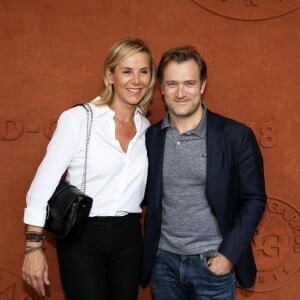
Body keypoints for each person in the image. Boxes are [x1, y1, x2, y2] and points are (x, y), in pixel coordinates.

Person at [22, 37, 156, 300]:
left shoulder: (146, 128)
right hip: (83, 236)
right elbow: (42, 187)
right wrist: (33, 248)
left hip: (129, 237)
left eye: (144, 71)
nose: (136, 80)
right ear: (110, 75)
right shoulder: (79, 119)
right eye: (126, 71)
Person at [141, 46, 267, 300]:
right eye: (172, 84)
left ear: (202, 85)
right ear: (162, 88)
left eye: (189, 83)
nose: (180, 93)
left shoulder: (235, 136)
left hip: (213, 263)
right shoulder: (152, 137)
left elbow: (255, 199)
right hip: (164, 264)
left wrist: (228, 256)